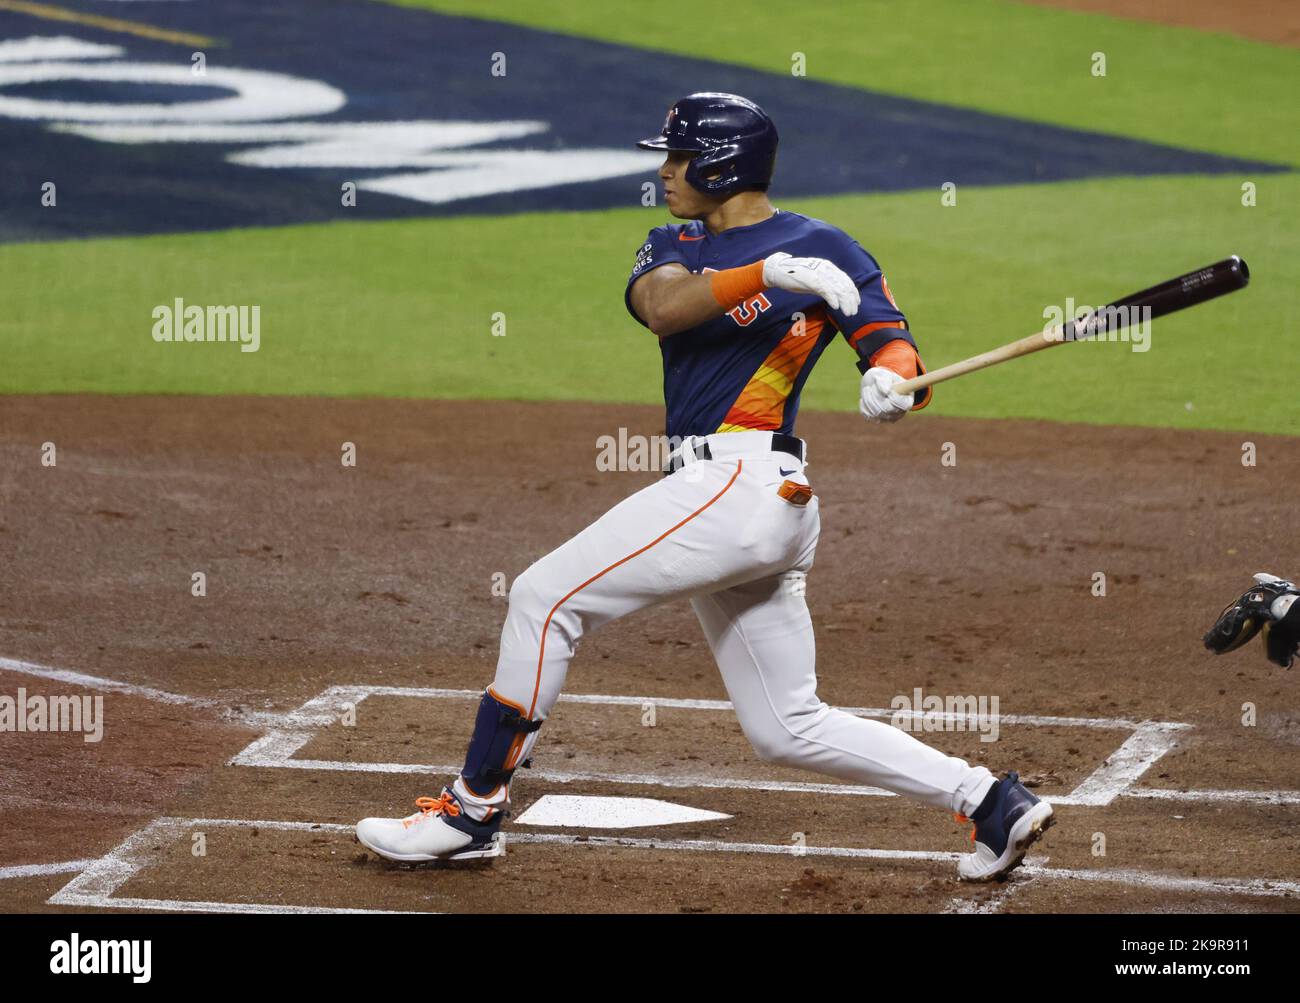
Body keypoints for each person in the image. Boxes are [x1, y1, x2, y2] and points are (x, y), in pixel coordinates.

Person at [356, 92, 1054, 882]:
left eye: (678, 156)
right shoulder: (675, 244)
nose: (664, 170)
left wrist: (895, 387)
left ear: (722, 165)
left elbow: (895, 349)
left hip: (742, 486)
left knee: (543, 598)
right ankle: (990, 798)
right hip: (744, 504)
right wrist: (764, 274)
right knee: (786, 724)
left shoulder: (831, 247)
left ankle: (471, 809)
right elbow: (664, 309)